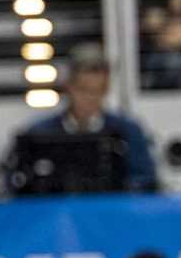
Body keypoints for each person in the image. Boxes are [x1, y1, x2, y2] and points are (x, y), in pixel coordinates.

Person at [10, 54, 160, 190]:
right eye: (83, 90)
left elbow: (146, 178)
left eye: (98, 91)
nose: (90, 98)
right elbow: (16, 179)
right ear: (69, 88)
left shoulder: (128, 131)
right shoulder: (39, 133)